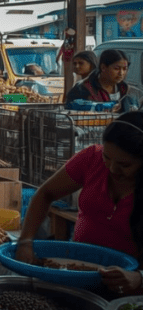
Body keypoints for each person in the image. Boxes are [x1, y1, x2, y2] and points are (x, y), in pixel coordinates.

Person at [16, 112, 143, 295]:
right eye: (107, 157)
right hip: (78, 273)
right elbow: (45, 193)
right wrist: (25, 241)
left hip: (127, 291)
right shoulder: (92, 158)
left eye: (125, 165)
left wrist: (139, 278)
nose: (113, 169)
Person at [67, 49, 137, 112]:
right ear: (103, 67)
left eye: (124, 69)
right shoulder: (83, 88)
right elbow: (70, 108)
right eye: (116, 68)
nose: (121, 73)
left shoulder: (125, 90)